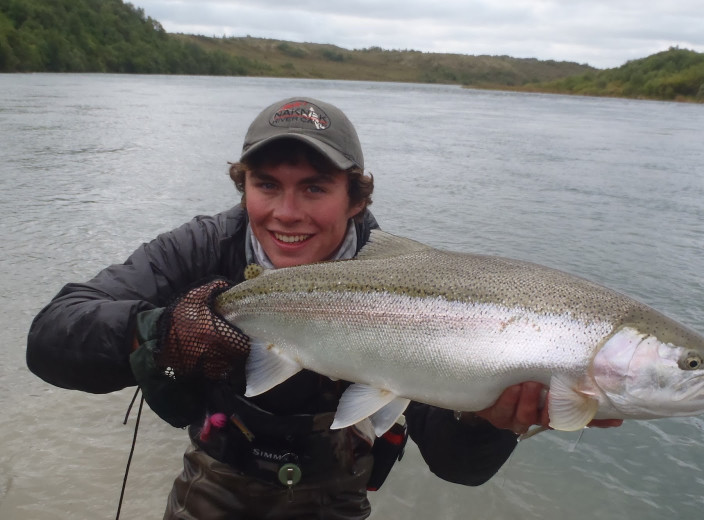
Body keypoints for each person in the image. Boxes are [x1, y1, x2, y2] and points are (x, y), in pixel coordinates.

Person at [27, 97, 620, 519]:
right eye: (266, 185)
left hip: (338, 497)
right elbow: (50, 338)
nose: (287, 212)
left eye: (314, 188)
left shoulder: (406, 284)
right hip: (213, 485)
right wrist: (155, 331)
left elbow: (456, 467)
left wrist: (489, 421)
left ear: (356, 197)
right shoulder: (202, 248)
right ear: (244, 187)